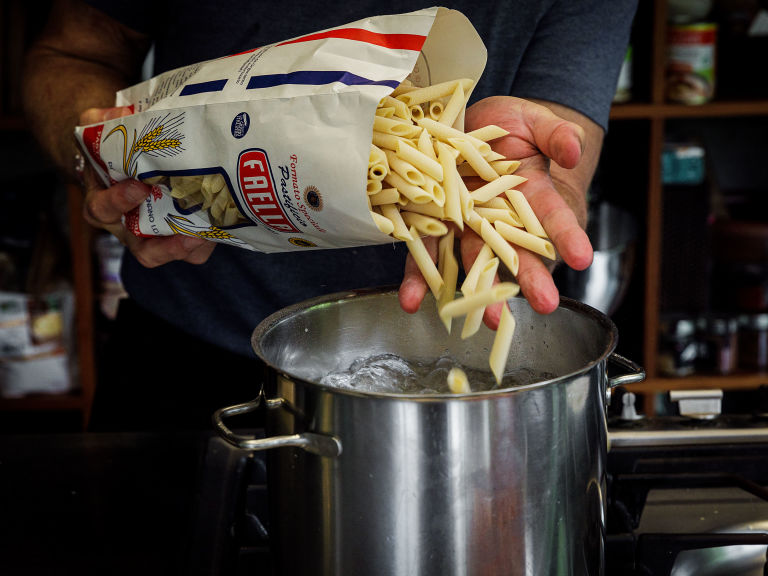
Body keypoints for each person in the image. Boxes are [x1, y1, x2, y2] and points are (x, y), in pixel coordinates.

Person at [22, 0, 637, 431]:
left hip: (458, 384)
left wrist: (526, 195)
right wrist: (106, 159)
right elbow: (70, 53)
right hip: (189, 365)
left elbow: (559, 146)